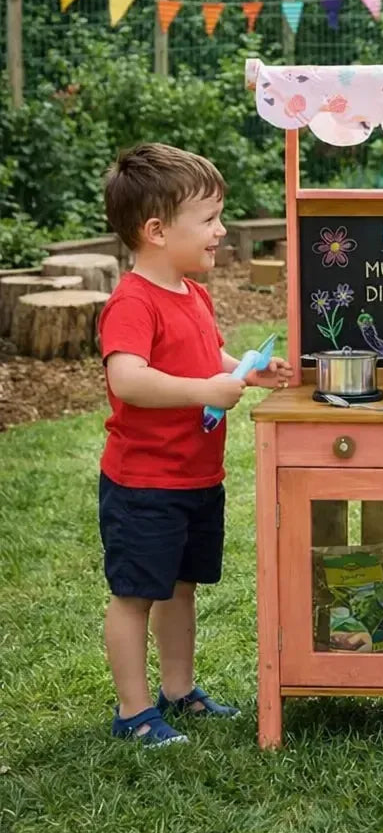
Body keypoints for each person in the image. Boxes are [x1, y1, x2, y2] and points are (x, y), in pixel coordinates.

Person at [98, 143, 293, 746]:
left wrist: (242, 371)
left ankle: (178, 692)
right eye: (208, 220)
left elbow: (207, 358)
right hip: (144, 484)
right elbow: (126, 378)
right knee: (136, 595)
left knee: (181, 589)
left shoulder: (193, 292)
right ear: (156, 231)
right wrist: (203, 388)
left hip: (195, 478)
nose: (222, 230)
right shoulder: (132, 301)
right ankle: (133, 714)